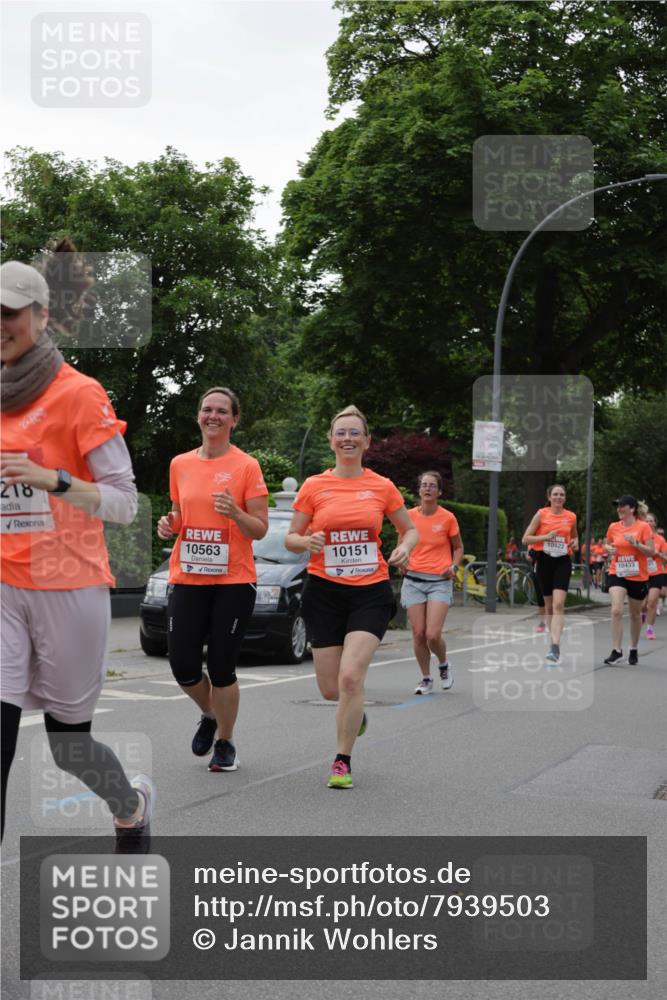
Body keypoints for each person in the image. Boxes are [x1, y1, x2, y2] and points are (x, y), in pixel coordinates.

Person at [0, 246, 152, 844]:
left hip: (69, 585)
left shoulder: (79, 394)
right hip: (4, 586)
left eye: (9, 313)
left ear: (40, 314)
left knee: (68, 746)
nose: (0, 327)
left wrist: (56, 481)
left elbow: (123, 501)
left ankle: (130, 806)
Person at [284, 405, 418, 789]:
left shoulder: (382, 486)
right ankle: (355, 715)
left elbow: (408, 530)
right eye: (341, 432)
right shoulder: (313, 486)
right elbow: (289, 537)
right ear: (331, 441)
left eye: (354, 433)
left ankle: (342, 761)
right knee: (330, 689)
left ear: (366, 441)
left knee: (349, 678)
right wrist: (305, 540)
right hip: (323, 591)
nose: (347, 438)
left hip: (370, 591)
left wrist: (405, 548)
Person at [156, 387, 268, 772]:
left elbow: (260, 529)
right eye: (207, 409)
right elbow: (178, 515)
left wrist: (236, 513)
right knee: (183, 665)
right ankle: (209, 713)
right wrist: (168, 526)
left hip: (233, 580)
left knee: (221, 667)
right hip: (187, 576)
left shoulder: (247, 466)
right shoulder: (180, 464)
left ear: (234, 419)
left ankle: (225, 741)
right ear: (198, 416)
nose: (213, 416)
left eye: (222, 411)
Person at [400, 471, 463, 694]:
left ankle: (444, 664)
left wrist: (454, 566)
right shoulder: (408, 517)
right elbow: (403, 544)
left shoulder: (448, 518)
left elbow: (458, 547)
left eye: (432, 486)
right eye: (424, 485)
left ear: (439, 491)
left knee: (432, 635)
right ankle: (426, 678)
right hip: (413, 581)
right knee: (418, 634)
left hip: (439, 581)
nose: (427, 489)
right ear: (419, 490)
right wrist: (401, 559)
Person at [522, 484, 579, 663]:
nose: (558, 497)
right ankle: (552, 642)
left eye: (561, 494)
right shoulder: (541, 514)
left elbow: (575, 537)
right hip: (545, 561)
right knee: (548, 607)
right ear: (549, 497)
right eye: (555, 494)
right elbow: (525, 538)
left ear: (565, 498)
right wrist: (545, 537)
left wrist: (575, 544)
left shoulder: (571, 516)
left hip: (562, 561)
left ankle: (555, 646)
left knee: (559, 605)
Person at [602, 495, 654, 665]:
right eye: (617, 506)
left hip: (637, 576)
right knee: (616, 610)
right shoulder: (613, 527)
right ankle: (617, 651)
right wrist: (608, 548)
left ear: (631, 509)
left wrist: (636, 543)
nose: (618, 509)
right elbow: (607, 543)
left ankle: (633, 647)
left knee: (635, 614)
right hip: (617, 572)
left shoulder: (643, 527)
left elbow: (651, 552)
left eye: (622, 506)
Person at [644, 512, 667, 639]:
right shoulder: (640, 537)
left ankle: (650, 628)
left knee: (652, 602)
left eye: (651, 521)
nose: (648, 523)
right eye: (646, 520)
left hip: (656, 573)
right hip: (641, 574)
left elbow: (665, 560)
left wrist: (658, 554)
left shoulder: (660, 540)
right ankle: (643, 613)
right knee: (643, 605)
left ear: (654, 523)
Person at [527, 547, 547, 632]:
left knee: (549, 597)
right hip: (537, 571)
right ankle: (542, 623)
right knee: (540, 598)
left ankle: (552, 621)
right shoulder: (533, 541)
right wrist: (531, 556)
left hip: (549, 571)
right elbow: (529, 557)